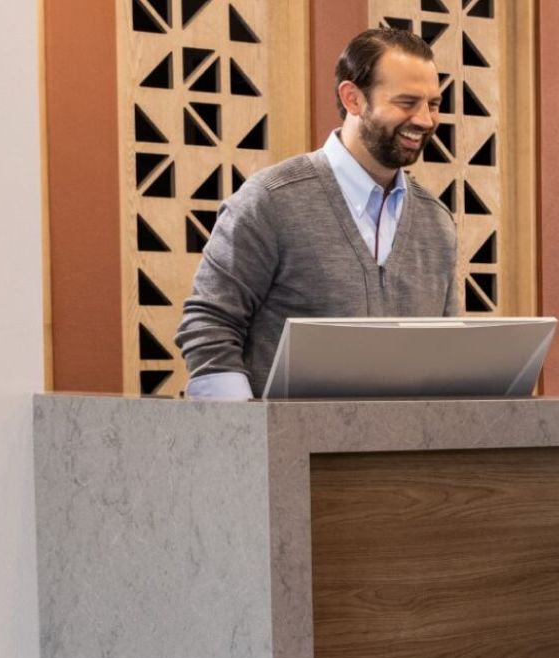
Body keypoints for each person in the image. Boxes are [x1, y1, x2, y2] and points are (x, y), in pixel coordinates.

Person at [177, 27, 457, 399]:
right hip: (282, 452)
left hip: (403, 456)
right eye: (407, 102)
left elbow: (450, 351)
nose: (425, 120)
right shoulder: (271, 200)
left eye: (433, 104)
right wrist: (243, 433)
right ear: (353, 98)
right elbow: (208, 325)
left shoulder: (436, 220)